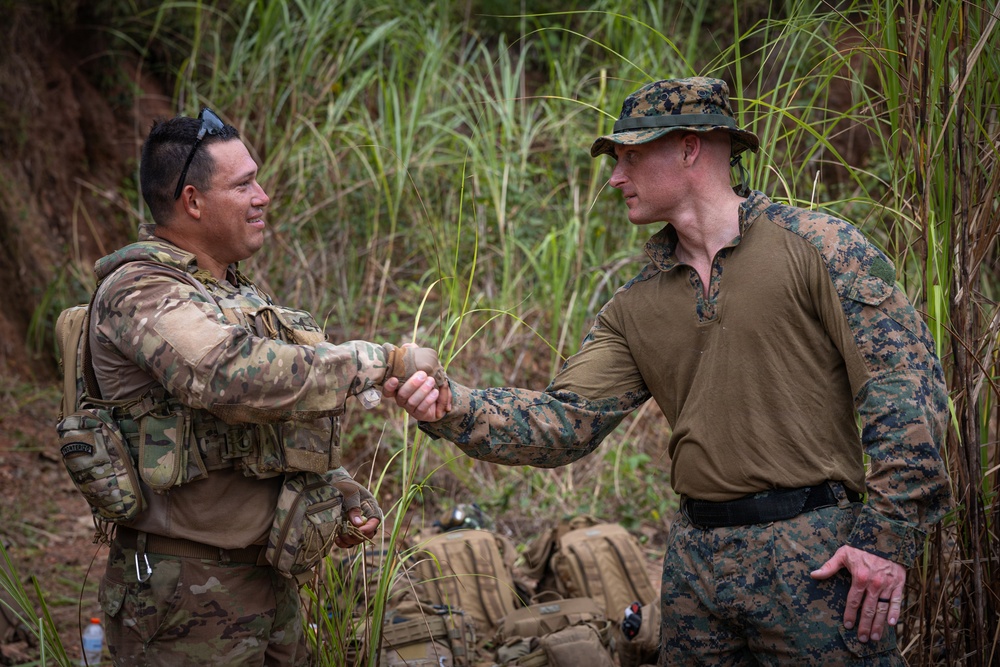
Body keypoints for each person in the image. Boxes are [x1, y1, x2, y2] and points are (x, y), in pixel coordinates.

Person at [385, 77, 952, 665]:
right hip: (695, 571)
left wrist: (887, 539)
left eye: (631, 157)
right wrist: (451, 404)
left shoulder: (820, 247)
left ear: (689, 148)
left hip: (815, 556)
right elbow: (563, 422)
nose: (615, 177)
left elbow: (905, 388)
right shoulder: (636, 306)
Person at [83, 108, 447, 666]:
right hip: (181, 591)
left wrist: (339, 489)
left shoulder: (232, 293)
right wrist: (382, 361)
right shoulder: (139, 290)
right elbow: (225, 375)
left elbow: (259, 424)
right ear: (193, 201)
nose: (264, 195)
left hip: (266, 576)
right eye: (244, 183)